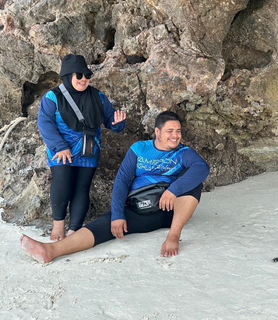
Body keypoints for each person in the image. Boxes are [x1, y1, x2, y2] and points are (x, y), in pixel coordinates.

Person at [21, 111, 210, 263]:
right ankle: (51, 250)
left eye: (178, 131)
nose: (176, 136)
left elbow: (202, 168)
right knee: (104, 225)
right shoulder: (139, 149)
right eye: (170, 131)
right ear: (158, 132)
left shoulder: (183, 152)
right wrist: (118, 215)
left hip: (169, 210)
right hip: (139, 210)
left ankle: (174, 236)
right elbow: (122, 181)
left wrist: (173, 190)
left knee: (194, 182)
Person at [37, 54, 126, 241]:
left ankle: (74, 230)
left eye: (87, 75)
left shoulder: (98, 96)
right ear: (68, 75)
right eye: (79, 75)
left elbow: (110, 121)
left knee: (81, 188)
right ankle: (58, 226)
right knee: (62, 181)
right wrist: (60, 146)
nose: (84, 79)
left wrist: (117, 123)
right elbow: (45, 123)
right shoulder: (52, 97)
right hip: (61, 149)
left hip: (88, 148)